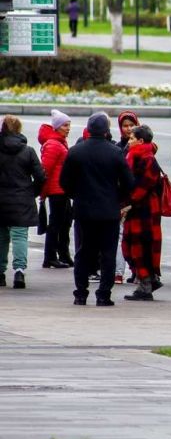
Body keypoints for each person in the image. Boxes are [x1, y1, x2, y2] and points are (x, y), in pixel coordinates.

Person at [60, 112, 133, 306]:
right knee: (108, 253)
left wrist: (77, 195)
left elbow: (64, 182)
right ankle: (103, 294)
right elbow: (129, 182)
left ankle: (81, 293)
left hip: (84, 210)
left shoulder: (76, 152)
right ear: (107, 130)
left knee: (84, 252)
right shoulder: (115, 152)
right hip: (109, 210)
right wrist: (117, 197)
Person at [0, 116, 46, 289]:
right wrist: (31, 192)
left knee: (2, 237)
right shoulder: (28, 150)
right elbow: (40, 177)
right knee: (20, 236)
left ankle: (0, 272)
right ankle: (19, 270)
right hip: (22, 199)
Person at [121, 125, 164, 301]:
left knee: (140, 246)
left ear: (141, 141)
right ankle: (149, 280)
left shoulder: (146, 158)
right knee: (132, 245)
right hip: (141, 209)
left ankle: (146, 284)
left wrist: (128, 201)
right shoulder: (134, 156)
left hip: (144, 210)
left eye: (132, 139)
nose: (128, 141)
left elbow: (144, 185)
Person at [38, 109, 73, 269]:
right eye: (65, 125)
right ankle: (50, 257)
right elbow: (45, 170)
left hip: (62, 189)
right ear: (57, 127)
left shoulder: (59, 142)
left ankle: (62, 254)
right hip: (56, 190)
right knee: (56, 224)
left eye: (69, 125)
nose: (68, 128)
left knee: (64, 223)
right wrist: (43, 193)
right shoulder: (53, 144)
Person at [115, 110, 141, 284]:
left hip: (137, 199)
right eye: (125, 126)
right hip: (124, 199)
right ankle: (119, 272)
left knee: (135, 237)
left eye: (132, 125)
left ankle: (138, 271)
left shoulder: (144, 148)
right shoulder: (117, 148)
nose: (129, 129)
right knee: (122, 236)